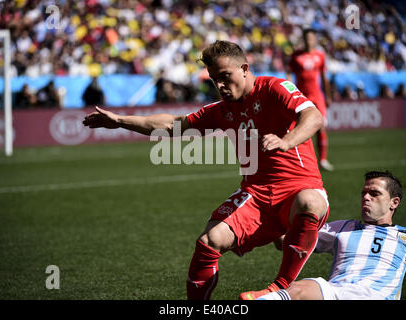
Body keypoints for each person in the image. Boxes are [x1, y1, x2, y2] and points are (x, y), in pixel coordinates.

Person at [83, 40, 330, 300]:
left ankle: (280, 287)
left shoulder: (274, 87)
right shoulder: (222, 110)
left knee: (309, 201)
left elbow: (314, 116)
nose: (220, 86)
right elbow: (172, 125)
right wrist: (121, 121)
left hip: (298, 188)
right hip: (256, 195)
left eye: (225, 77)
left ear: (244, 68)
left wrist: (286, 141)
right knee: (208, 242)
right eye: (214, 80)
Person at [259, 170, 406, 300]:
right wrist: (269, 215)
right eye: (364, 193)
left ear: (394, 202)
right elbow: (290, 241)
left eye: (374, 193)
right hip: (336, 292)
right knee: (296, 289)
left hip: (377, 296)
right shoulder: (342, 227)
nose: (366, 198)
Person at [286, 29, 333, 171]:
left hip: (317, 95)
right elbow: (288, 73)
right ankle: (300, 161)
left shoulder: (320, 56)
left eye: (311, 38)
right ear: (303, 39)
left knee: (320, 126)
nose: (309, 41)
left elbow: (324, 77)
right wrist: (291, 90)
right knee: (299, 127)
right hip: (302, 96)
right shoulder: (296, 56)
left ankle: (323, 160)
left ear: (314, 40)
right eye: (306, 38)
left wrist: (328, 95)